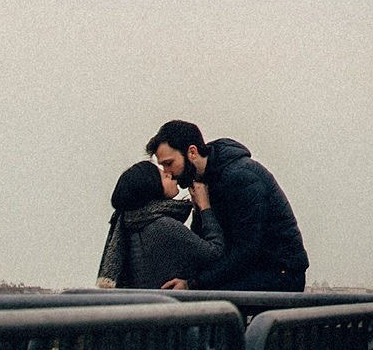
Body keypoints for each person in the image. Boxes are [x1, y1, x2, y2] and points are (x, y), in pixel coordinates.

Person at [148, 119, 308, 291]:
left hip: (279, 273)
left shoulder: (240, 177)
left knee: (203, 302)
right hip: (254, 270)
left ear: (192, 152)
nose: (167, 173)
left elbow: (246, 251)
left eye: (169, 163)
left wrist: (193, 283)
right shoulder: (205, 182)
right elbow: (205, 247)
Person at [96, 158, 223, 290]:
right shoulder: (162, 225)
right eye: (163, 175)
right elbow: (214, 252)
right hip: (166, 306)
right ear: (152, 187)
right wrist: (205, 206)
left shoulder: (133, 222)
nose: (169, 174)